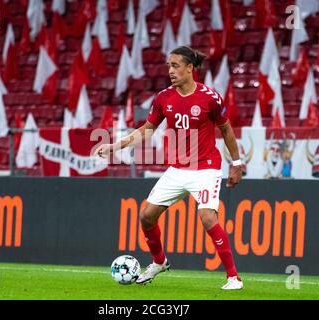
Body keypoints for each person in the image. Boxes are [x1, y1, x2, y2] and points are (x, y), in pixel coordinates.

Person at [95, 46, 243, 290]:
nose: (170, 71)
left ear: (190, 68)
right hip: (177, 169)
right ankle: (159, 262)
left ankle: (233, 277)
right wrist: (115, 146)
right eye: (168, 66)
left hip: (206, 168)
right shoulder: (164, 97)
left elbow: (226, 129)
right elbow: (147, 129)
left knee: (207, 217)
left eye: (175, 66)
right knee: (146, 216)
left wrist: (236, 164)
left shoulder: (209, 97)